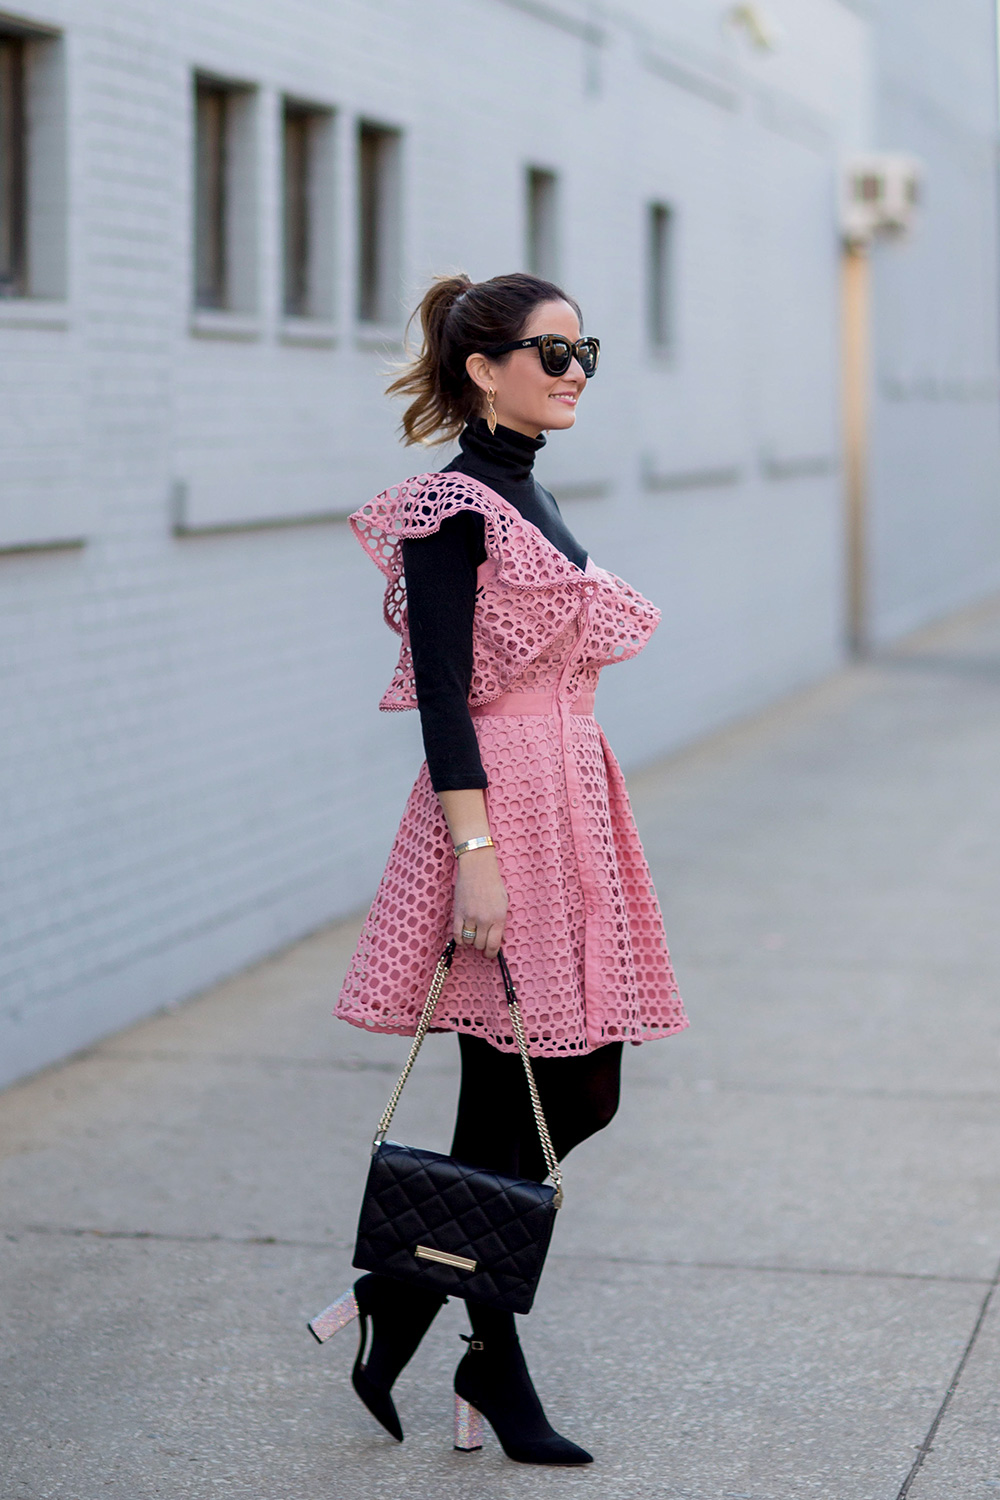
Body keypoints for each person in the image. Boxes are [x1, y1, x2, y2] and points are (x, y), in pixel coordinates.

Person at [324, 272, 687, 1465]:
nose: (574, 369)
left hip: (572, 803)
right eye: (550, 351)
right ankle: (477, 1348)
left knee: (562, 1096)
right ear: (482, 368)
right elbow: (441, 695)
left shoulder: (525, 486)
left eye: (587, 349)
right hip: (499, 819)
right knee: (539, 1095)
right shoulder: (449, 505)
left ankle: (407, 1299)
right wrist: (475, 858)